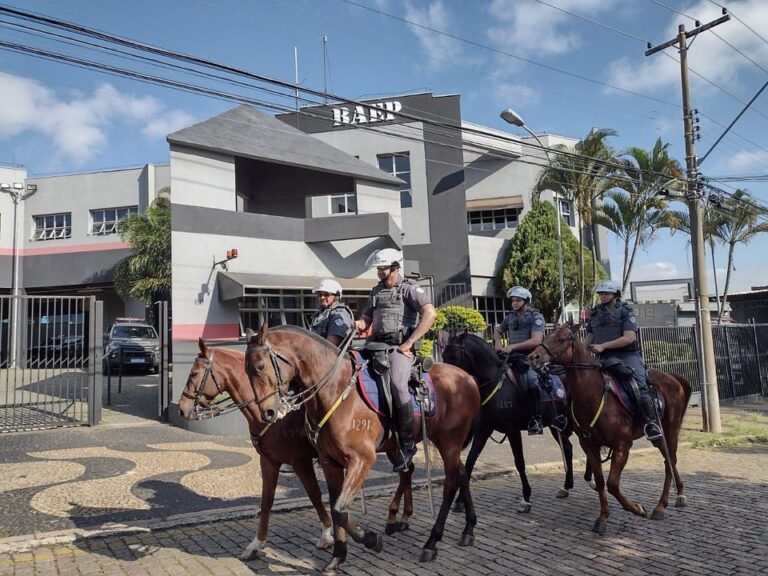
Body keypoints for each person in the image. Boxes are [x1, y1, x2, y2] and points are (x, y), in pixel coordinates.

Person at [355, 248, 436, 472]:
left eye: (383, 268)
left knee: (398, 387)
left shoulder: (409, 289)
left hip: (399, 349)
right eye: (379, 269)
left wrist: (409, 343)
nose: (380, 272)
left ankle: (407, 444)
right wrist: (360, 324)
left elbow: (430, 313)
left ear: (395, 268)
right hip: (375, 346)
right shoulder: (376, 291)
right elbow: (367, 317)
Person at [585, 279, 663, 443]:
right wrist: (582, 351)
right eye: (601, 294)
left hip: (626, 356)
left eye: (606, 293)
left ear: (615, 295)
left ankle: (651, 423)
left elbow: (629, 338)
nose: (603, 296)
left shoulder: (625, 311)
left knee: (639, 385)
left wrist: (604, 346)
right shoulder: (595, 312)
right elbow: (590, 336)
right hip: (603, 357)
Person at [493, 286, 546, 435]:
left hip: (531, 357)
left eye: (518, 300)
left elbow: (536, 340)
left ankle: (536, 419)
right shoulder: (510, 316)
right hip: (512, 357)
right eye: (513, 301)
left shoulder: (536, 317)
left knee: (531, 381)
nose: (514, 303)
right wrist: (497, 343)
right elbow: (498, 331)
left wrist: (512, 346)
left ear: (526, 301)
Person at [309, 279, 354, 347]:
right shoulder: (321, 313)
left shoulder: (339, 314)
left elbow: (331, 344)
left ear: (336, 296)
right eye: (320, 294)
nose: (322, 297)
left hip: (333, 355)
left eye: (326, 294)